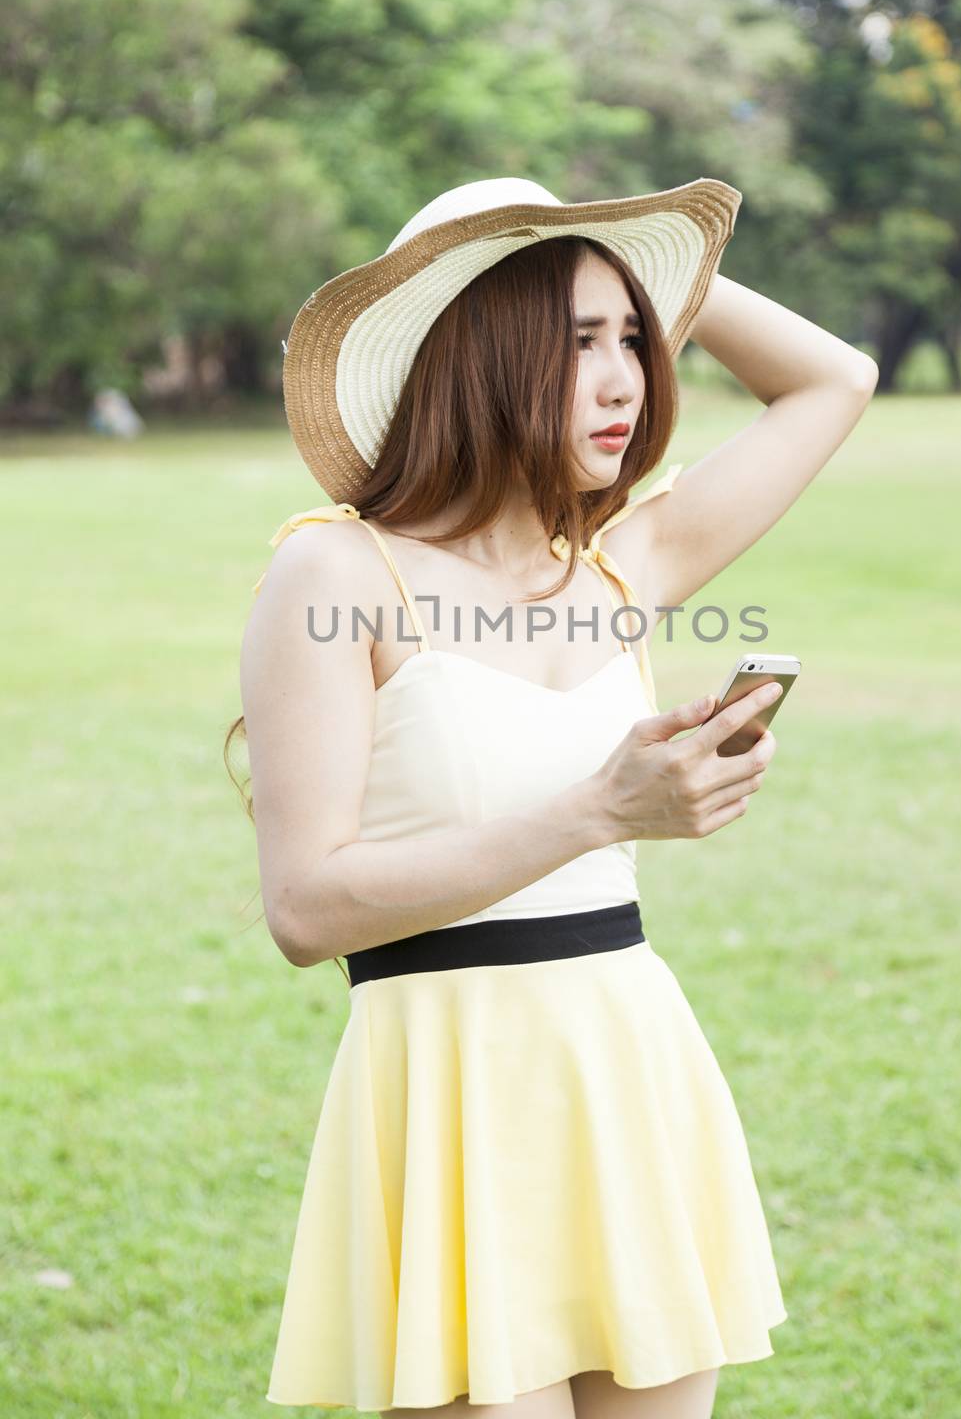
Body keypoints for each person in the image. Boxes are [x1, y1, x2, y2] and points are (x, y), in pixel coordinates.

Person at [229, 176, 878, 1416]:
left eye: (632, 337)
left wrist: (625, 258)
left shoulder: (618, 562)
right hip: (451, 1088)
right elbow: (306, 909)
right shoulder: (333, 572)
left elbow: (831, 379)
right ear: (474, 350)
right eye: (576, 343)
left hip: (624, 1067)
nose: (626, 377)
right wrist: (603, 809)